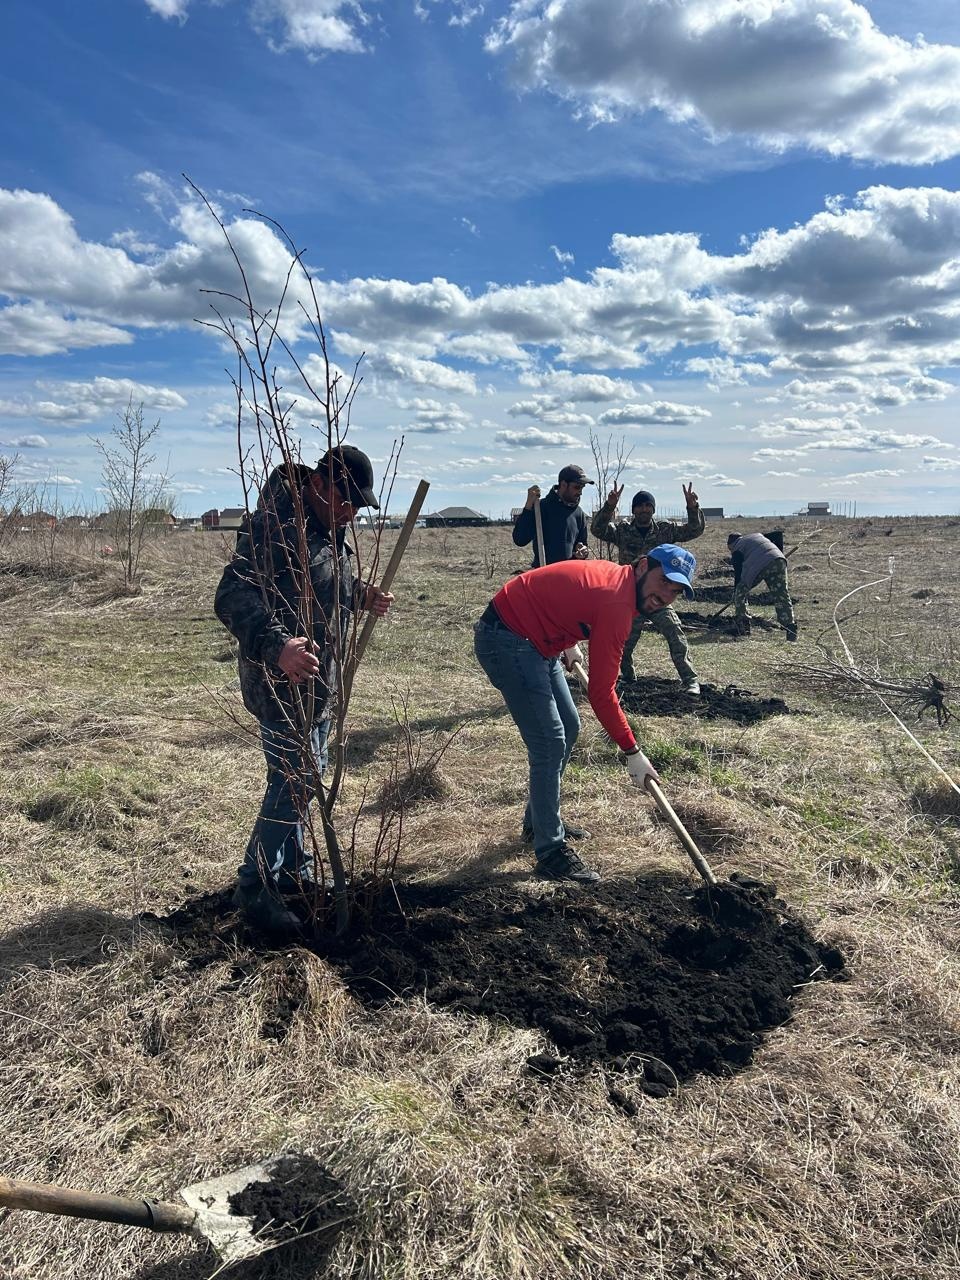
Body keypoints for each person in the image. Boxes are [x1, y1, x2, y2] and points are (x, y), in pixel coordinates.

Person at [214, 444, 394, 936]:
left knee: (303, 779)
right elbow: (230, 596)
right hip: (280, 685)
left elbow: (326, 585)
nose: (352, 512)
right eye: (348, 499)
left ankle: (293, 868)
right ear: (320, 483)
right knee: (293, 783)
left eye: (360, 504)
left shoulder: (327, 530)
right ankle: (254, 885)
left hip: (317, 685)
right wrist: (278, 648)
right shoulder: (276, 527)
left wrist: (361, 596)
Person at [474, 544, 697, 883]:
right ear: (641, 567)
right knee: (549, 741)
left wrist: (568, 634)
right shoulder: (617, 604)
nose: (667, 595)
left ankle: (539, 824)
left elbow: (567, 593)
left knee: (570, 725)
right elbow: (601, 694)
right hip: (509, 638)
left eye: (676, 590)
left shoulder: (620, 584)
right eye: (664, 581)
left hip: (538, 637)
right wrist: (632, 751)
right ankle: (550, 850)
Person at [591, 483, 705, 695]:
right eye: (639, 506)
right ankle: (627, 677)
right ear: (633, 510)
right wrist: (609, 506)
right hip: (630, 596)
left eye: (647, 506)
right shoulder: (623, 530)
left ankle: (690, 680)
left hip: (659, 596)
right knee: (624, 640)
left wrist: (692, 508)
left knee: (674, 630)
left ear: (653, 509)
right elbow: (597, 529)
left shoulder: (665, 530)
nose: (644, 509)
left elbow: (693, 530)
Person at [512, 464, 593, 567]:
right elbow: (520, 539)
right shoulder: (541, 507)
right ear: (563, 485)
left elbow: (582, 545)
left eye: (582, 488)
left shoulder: (579, 514)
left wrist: (582, 552)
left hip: (569, 576)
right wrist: (528, 506)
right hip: (544, 575)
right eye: (577, 487)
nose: (580, 492)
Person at [727, 531, 797, 640]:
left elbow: (738, 574)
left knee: (740, 592)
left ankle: (743, 626)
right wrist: (780, 552)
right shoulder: (756, 536)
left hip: (760, 565)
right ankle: (790, 627)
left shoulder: (737, 548)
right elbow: (778, 534)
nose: (731, 552)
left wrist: (736, 592)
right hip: (779, 560)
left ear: (731, 545)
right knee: (781, 594)